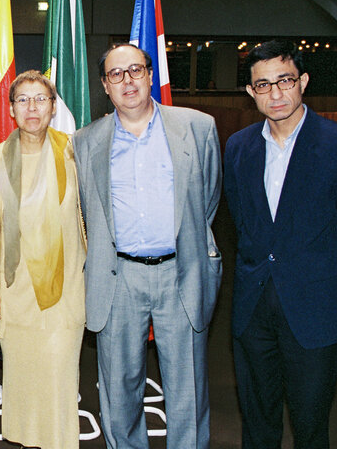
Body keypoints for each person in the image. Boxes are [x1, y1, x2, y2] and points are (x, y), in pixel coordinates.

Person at [74, 43, 223, 448]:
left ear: (150, 75)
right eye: (116, 74)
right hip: (117, 277)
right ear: (105, 85)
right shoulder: (86, 141)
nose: (127, 81)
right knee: (119, 394)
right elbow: (88, 209)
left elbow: (206, 202)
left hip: (181, 272)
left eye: (135, 70)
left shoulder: (197, 127)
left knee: (187, 391)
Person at [225, 40, 337, 448]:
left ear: (302, 81)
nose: (275, 94)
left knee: (310, 425)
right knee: (258, 423)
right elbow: (241, 223)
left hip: (314, 309)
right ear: (250, 92)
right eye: (262, 85)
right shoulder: (238, 147)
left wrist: (319, 277)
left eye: (284, 81)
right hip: (253, 309)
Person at [0, 70, 86, 449]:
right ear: (11, 110)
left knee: (58, 383)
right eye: (22, 99)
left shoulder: (75, 152)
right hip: (14, 293)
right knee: (22, 389)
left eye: (41, 98)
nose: (32, 107)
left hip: (65, 291)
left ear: (54, 107)